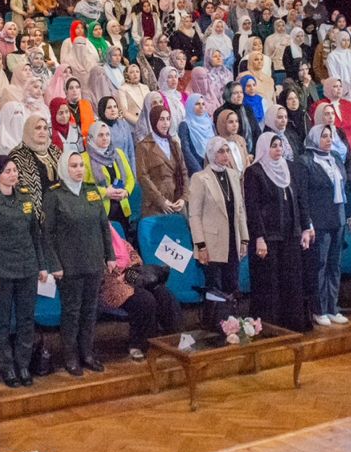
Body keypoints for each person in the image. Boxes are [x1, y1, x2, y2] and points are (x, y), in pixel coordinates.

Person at [0, 156, 49, 387]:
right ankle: (6, 366)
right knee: (2, 322)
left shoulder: (25, 198)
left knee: (27, 319)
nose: (13, 174)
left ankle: (23, 364)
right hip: (2, 271)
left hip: (27, 268)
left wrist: (41, 265)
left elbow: (35, 235)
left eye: (15, 170)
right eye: (8, 171)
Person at [42, 149, 115, 375]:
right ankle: (70, 356)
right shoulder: (54, 195)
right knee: (72, 312)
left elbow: (103, 226)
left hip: (93, 262)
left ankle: (87, 353)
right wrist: (54, 264)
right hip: (69, 265)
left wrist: (110, 256)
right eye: (73, 166)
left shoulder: (91, 192)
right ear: (64, 169)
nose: (79, 170)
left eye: (81, 165)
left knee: (90, 311)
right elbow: (47, 234)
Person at [244, 131, 313, 333]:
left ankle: (291, 324)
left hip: (290, 235)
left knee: (292, 280)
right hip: (268, 237)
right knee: (269, 284)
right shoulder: (254, 172)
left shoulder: (289, 168)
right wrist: (259, 237)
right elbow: (253, 208)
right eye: (273, 146)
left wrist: (305, 228)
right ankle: (270, 326)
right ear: (264, 148)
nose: (278, 149)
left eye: (280, 145)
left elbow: (300, 200)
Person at [98, 221, 182, 361]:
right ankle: (139, 344)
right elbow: (99, 272)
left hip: (131, 278)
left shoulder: (120, 241)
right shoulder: (93, 246)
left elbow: (136, 259)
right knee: (145, 300)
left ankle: (173, 338)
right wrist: (120, 276)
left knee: (164, 294)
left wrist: (130, 273)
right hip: (110, 287)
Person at [187, 136, 248, 322]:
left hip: (232, 239)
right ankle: (214, 323)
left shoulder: (233, 175)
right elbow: (194, 215)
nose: (225, 155)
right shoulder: (200, 178)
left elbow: (240, 209)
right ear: (212, 154)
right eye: (221, 151)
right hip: (211, 242)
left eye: (227, 150)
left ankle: (232, 323)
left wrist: (244, 238)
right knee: (215, 287)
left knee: (232, 284)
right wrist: (201, 245)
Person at [296, 123, 351, 324]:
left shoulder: (335, 157)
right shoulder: (305, 161)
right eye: (324, 136)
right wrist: (307, 223)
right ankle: (319, 309)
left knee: (335, 264)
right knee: (319, 264)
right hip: (319, 221)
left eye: (330, 136)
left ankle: (332, 307)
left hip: (338, 218)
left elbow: (345, 187)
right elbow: (302, 195)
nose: (328, 139)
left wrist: (348, 215)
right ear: (314, 138)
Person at [136, 103, 188, 217]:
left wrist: (183, 198)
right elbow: (143, 177)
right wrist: (161, 201)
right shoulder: (144, 146)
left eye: (168, 119)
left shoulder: (174, 144)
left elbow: (184, 172)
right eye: (161, 119)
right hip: (155, 205)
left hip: (176, 200)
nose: (166, 123)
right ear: (154, 121)